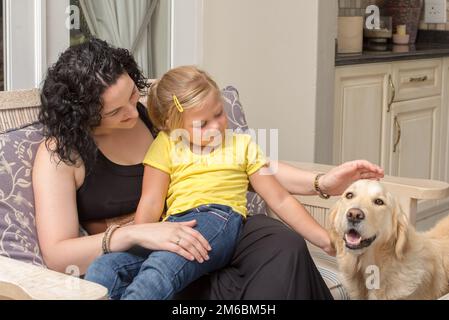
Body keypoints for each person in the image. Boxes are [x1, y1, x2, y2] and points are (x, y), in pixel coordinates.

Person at [33, 38, 384, 300]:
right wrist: (136, 234)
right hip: (157, 242)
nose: (133, 109)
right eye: (116, 111)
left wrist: (322, 182)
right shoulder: (60, 155)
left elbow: (250, 165)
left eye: (131, 95)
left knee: (284, 243)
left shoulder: (161, 117)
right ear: (84, 115)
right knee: (149, 273)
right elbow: (57, 254)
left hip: (211, 225)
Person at [116, 65, 334, 299]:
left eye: (219, 113)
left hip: (227, 222)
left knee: (287, 243)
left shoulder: (242, 145)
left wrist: (323, 239)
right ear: (173, 125)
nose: (216, 126)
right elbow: (150, 200)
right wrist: (142, 239)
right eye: (202, 124)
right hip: (183, 225)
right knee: (119, 268)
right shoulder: (166, 144)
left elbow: (279, 198)